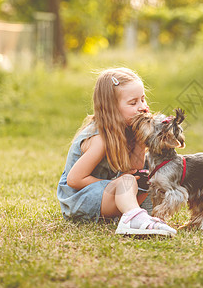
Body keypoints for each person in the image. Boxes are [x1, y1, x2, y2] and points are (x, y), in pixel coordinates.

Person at [57, 67, 177, 236]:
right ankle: (133, 218)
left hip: (105, 198)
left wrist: (141, 142)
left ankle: (147, 218)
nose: (142, 106)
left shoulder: (128, 129)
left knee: (149, 176)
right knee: (127, 181)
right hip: (80, 200)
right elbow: (74, 180)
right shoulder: (100, 139)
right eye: (133, 102)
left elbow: (135, 166)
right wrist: (116, 183)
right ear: (112, 108)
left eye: (143, 99)